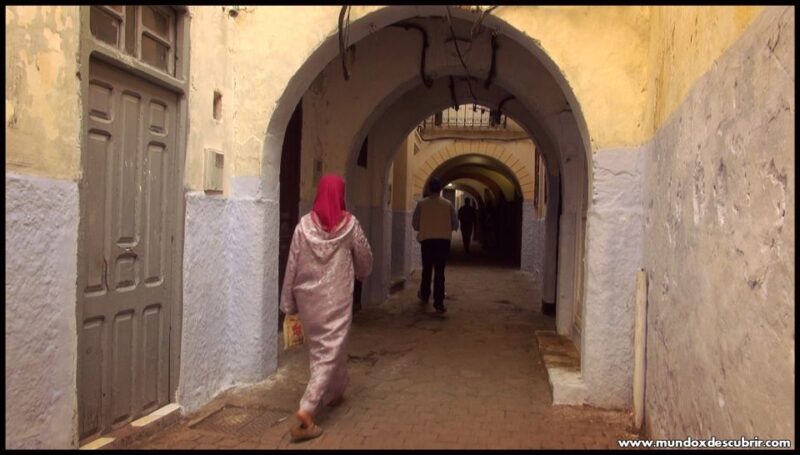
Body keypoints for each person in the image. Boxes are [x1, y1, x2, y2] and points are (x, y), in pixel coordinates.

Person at [280, 174, 373, 443]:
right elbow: (364, 256)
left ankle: (335, 391)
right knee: (329, 350)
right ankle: (305, 414)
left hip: (308, 299)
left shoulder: (303, 226)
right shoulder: (350, 225)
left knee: (325, 348)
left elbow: (292, 264)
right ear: (340, 194)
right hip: (337, 298)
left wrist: (288, 302)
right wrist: (362, 273)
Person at [412, 178, 459, 313]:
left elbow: (415, 224)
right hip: (443, 241)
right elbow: (455, 224)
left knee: (427, 269)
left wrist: (425, 226)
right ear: (440, 189)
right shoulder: (448, 204)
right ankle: (439, 302)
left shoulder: (421, 204)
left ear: (429, 189)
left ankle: (425, 294)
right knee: (440, 271)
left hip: (427, 240)